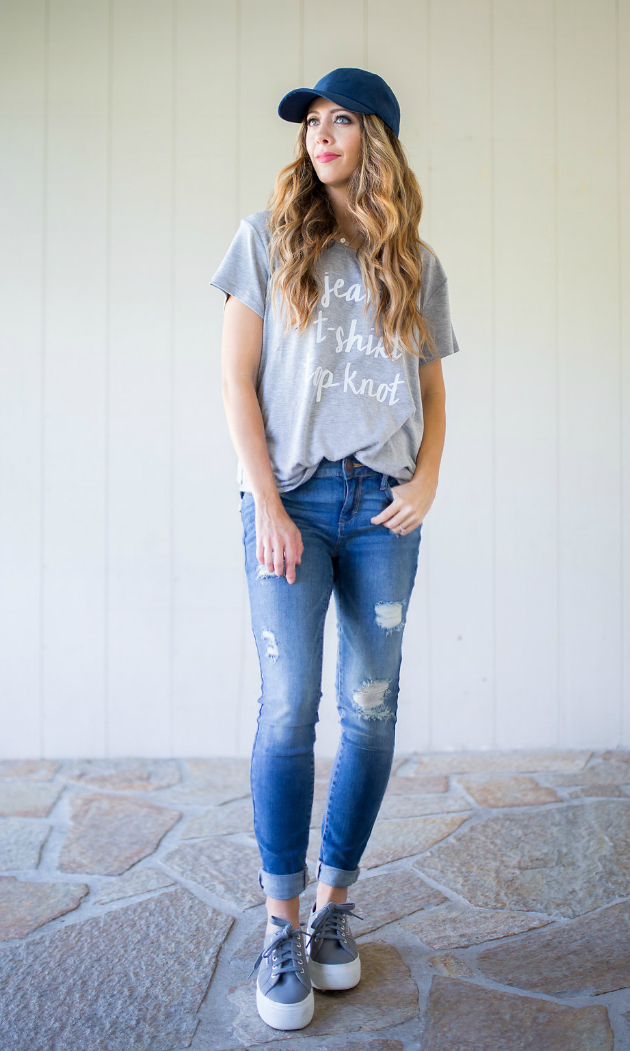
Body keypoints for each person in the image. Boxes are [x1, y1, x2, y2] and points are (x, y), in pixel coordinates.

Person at [209, 67, 460, 1032]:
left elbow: (433, 395)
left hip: (384, 508)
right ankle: (278, 923)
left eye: (340, 120)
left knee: (372, 709)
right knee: (287, 710)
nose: (320, 135)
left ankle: (333, 908)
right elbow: (237, 383)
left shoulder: (416, 263)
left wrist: (428, 480)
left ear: (376, 139)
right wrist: (266, 503)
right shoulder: (267, 242)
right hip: (294, 505)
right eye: (312, 122)